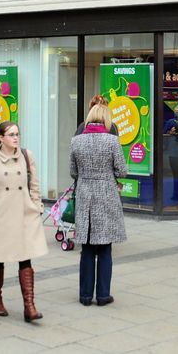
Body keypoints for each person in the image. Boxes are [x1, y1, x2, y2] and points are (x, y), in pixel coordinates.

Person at [0, 121, 48, 321]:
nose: (16, 138)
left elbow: (34, 184)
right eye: (11, 134)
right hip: (0, 214)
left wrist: (36, 207)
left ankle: (29, 306)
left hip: (23, 212)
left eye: (17, 134)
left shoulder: (26, 156)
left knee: (25, 257)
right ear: (1, 138)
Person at [70, 96, 128, 306]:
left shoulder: (76, 141)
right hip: (106, 194)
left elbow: (72, 171)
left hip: (85, 192)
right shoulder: (112, 141)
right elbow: (122, 169)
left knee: (86, 247)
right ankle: (103, 295)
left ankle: (85, 295)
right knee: (104, 248)